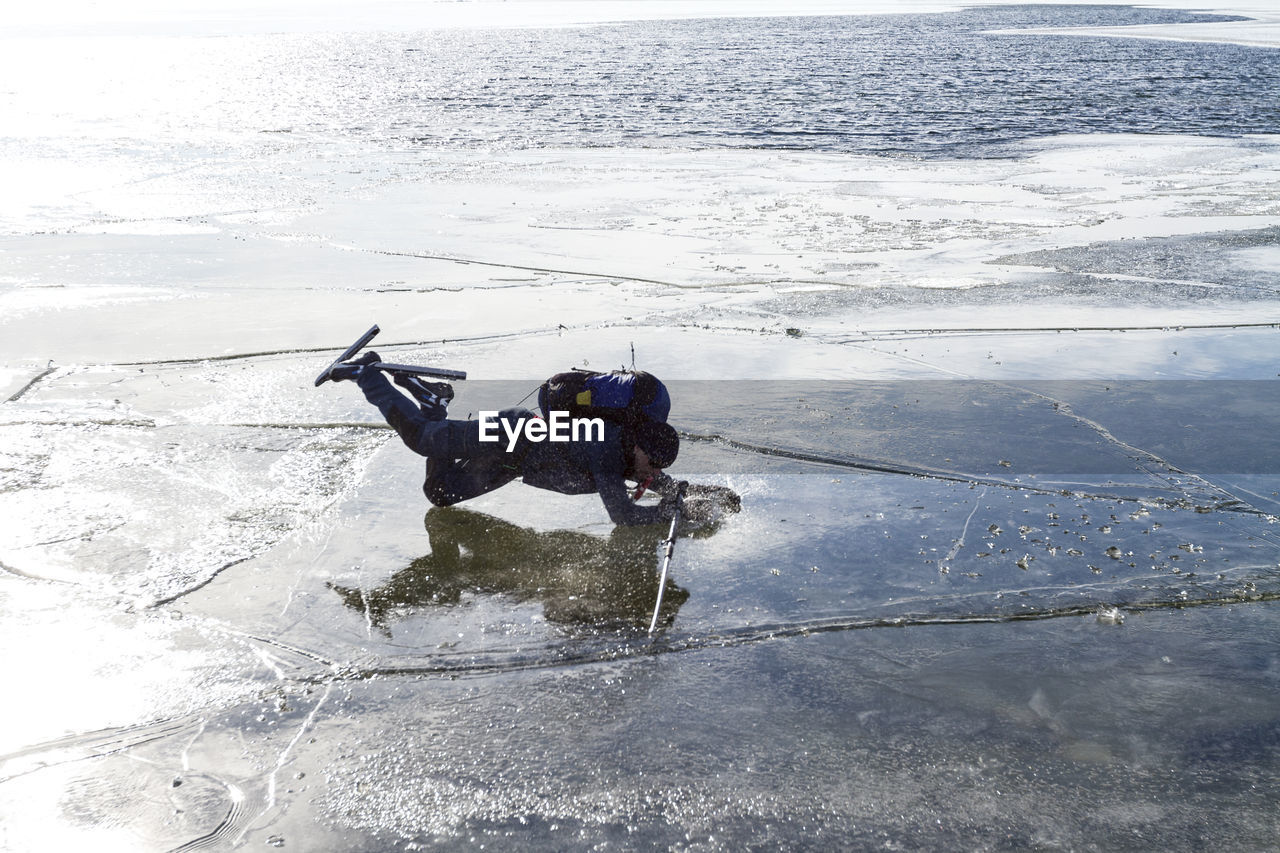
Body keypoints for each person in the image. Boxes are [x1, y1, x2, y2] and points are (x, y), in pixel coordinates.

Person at [333, 352, 687, 526]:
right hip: (514, 431)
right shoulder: (608, 449)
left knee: (439, 494)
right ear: (640, 445)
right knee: (424, 440)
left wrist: (701, 500)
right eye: (651, 464)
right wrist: (670, 514)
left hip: (512, 461)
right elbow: (623, 515)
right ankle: (367, 375)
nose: (650, 474)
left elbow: (665, 485)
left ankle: (432, 402)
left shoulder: (630, 457)